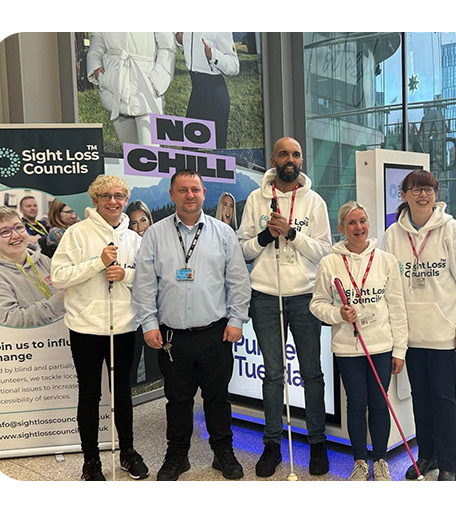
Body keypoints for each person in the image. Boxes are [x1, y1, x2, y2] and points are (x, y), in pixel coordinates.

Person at [131, 169, 251, 481]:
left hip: (216, 333)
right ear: (172, 195)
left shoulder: (223, 233)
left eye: (195, 190)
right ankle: (177, 455)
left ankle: (222, 452)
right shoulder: (156, 234)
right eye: (183, 190)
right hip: (172, 337)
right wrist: (148, 324)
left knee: (217, 397)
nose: (189, 196)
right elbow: (144, 285)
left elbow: (238, 281)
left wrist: (236, 320)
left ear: (203, 194)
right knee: (178, 400)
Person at [237, 137, 336, 477]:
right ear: (273, 159)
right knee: (273, 374)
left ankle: (318, 443)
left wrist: (292, 233)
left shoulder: (314, 201)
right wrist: (266, 237)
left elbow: (325, 252)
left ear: (301, 160)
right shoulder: (255, 198)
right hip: (265, 295)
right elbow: (243, 250)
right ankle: (272, 444)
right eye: (284, 153)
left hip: (305, 296)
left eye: (295, 154)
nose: (290, 159)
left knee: (312, 374)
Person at [50, 176, 148, 480]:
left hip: (123, 326)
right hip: (86, 327)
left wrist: (125, 274)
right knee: (90, 395)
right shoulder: (77, 234)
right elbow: (59, 276)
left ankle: (127, 452)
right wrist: (97, 263)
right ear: (95, 200)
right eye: (106, 196)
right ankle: (91, 461)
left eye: (119, 196)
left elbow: (145, 277)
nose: (113, 202)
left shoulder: (134, 238)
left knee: (122, 393)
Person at [385, 169, 456, 481]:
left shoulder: (452, 230)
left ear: (435, 194)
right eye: (416, 190)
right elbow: (385, 281)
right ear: (404, 195)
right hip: (410, 335)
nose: (423, 195)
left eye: (429, 190)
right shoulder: (392, 235)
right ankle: (427, 456)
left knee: (444, 400)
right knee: (420, 400)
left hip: (443, 333)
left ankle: (449, 464)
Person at [309, 201, 410, 481]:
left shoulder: (385, 260)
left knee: (379, 403)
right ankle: (360, 461)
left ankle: (380, 459)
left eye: (363, 221)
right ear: (341, 228)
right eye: (351, 223)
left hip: (380, 345)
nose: (358, 227)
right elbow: (316, 304)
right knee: (355, 403)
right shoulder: (330, 262)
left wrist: (399, 350)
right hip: (347, 347)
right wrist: (337, 313)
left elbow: (398, 308)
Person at [85, 32, 176, 146]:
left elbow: (167, 47)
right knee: (130, 155)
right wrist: (96, 68)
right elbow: (97, 39)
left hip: (146, 87)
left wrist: (156, 82)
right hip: (115, 84)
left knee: (150, 155)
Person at [0, 207, 65, 327]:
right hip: (29, 343)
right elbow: (10, 321)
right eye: (5, 232)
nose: (15, 235)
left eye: (19, 227)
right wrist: (57, 302)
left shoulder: (43, 260)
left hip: (62, 338)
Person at [178, 32, 239, 148]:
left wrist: (213, 55)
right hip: (196, 92)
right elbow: (192, 52)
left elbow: (234, 66)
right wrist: (180, 42)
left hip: (215, 95)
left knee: (219, 149)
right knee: (188, 149)